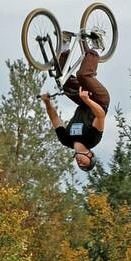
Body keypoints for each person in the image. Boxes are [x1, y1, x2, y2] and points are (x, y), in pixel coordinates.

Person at [41, 34, 110, 172]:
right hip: (99, 100)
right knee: (83, 75)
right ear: (90, 155)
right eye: (85, 163)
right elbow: (101, 115)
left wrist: (47, 103)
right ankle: (97, 46)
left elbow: (55, 119)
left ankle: (65, 45)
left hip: (83, 101)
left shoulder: (66, 139)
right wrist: (88, 100)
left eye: (80, 166)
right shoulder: (92, 140)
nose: (80, 163)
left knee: (62, 79)